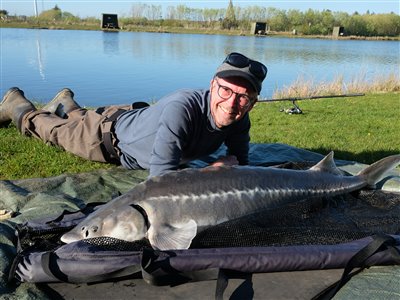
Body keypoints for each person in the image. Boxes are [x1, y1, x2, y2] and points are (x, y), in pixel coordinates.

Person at [0, 52, 267, 177]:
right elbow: (161, 183)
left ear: (252, 103)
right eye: (225, 90)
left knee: (80, 118)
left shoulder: (239, 119)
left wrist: (231, 163)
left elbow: (241, 163)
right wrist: (209, 173)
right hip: (106, 139)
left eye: (243, 96)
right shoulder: (182, 109)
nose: (231, 103)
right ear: (212, 86)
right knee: (53, 132)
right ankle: (16, 104)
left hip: (133, 118)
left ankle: (67, 104)